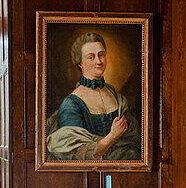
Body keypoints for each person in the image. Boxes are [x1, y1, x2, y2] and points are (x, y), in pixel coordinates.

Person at [45, 31, 139, 161]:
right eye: (91, 57)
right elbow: (79, 154)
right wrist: (112, 136)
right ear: (80, 63)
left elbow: (133, 138)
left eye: (101, 55)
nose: (99, 61)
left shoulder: (114, 94)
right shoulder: (71, 104)